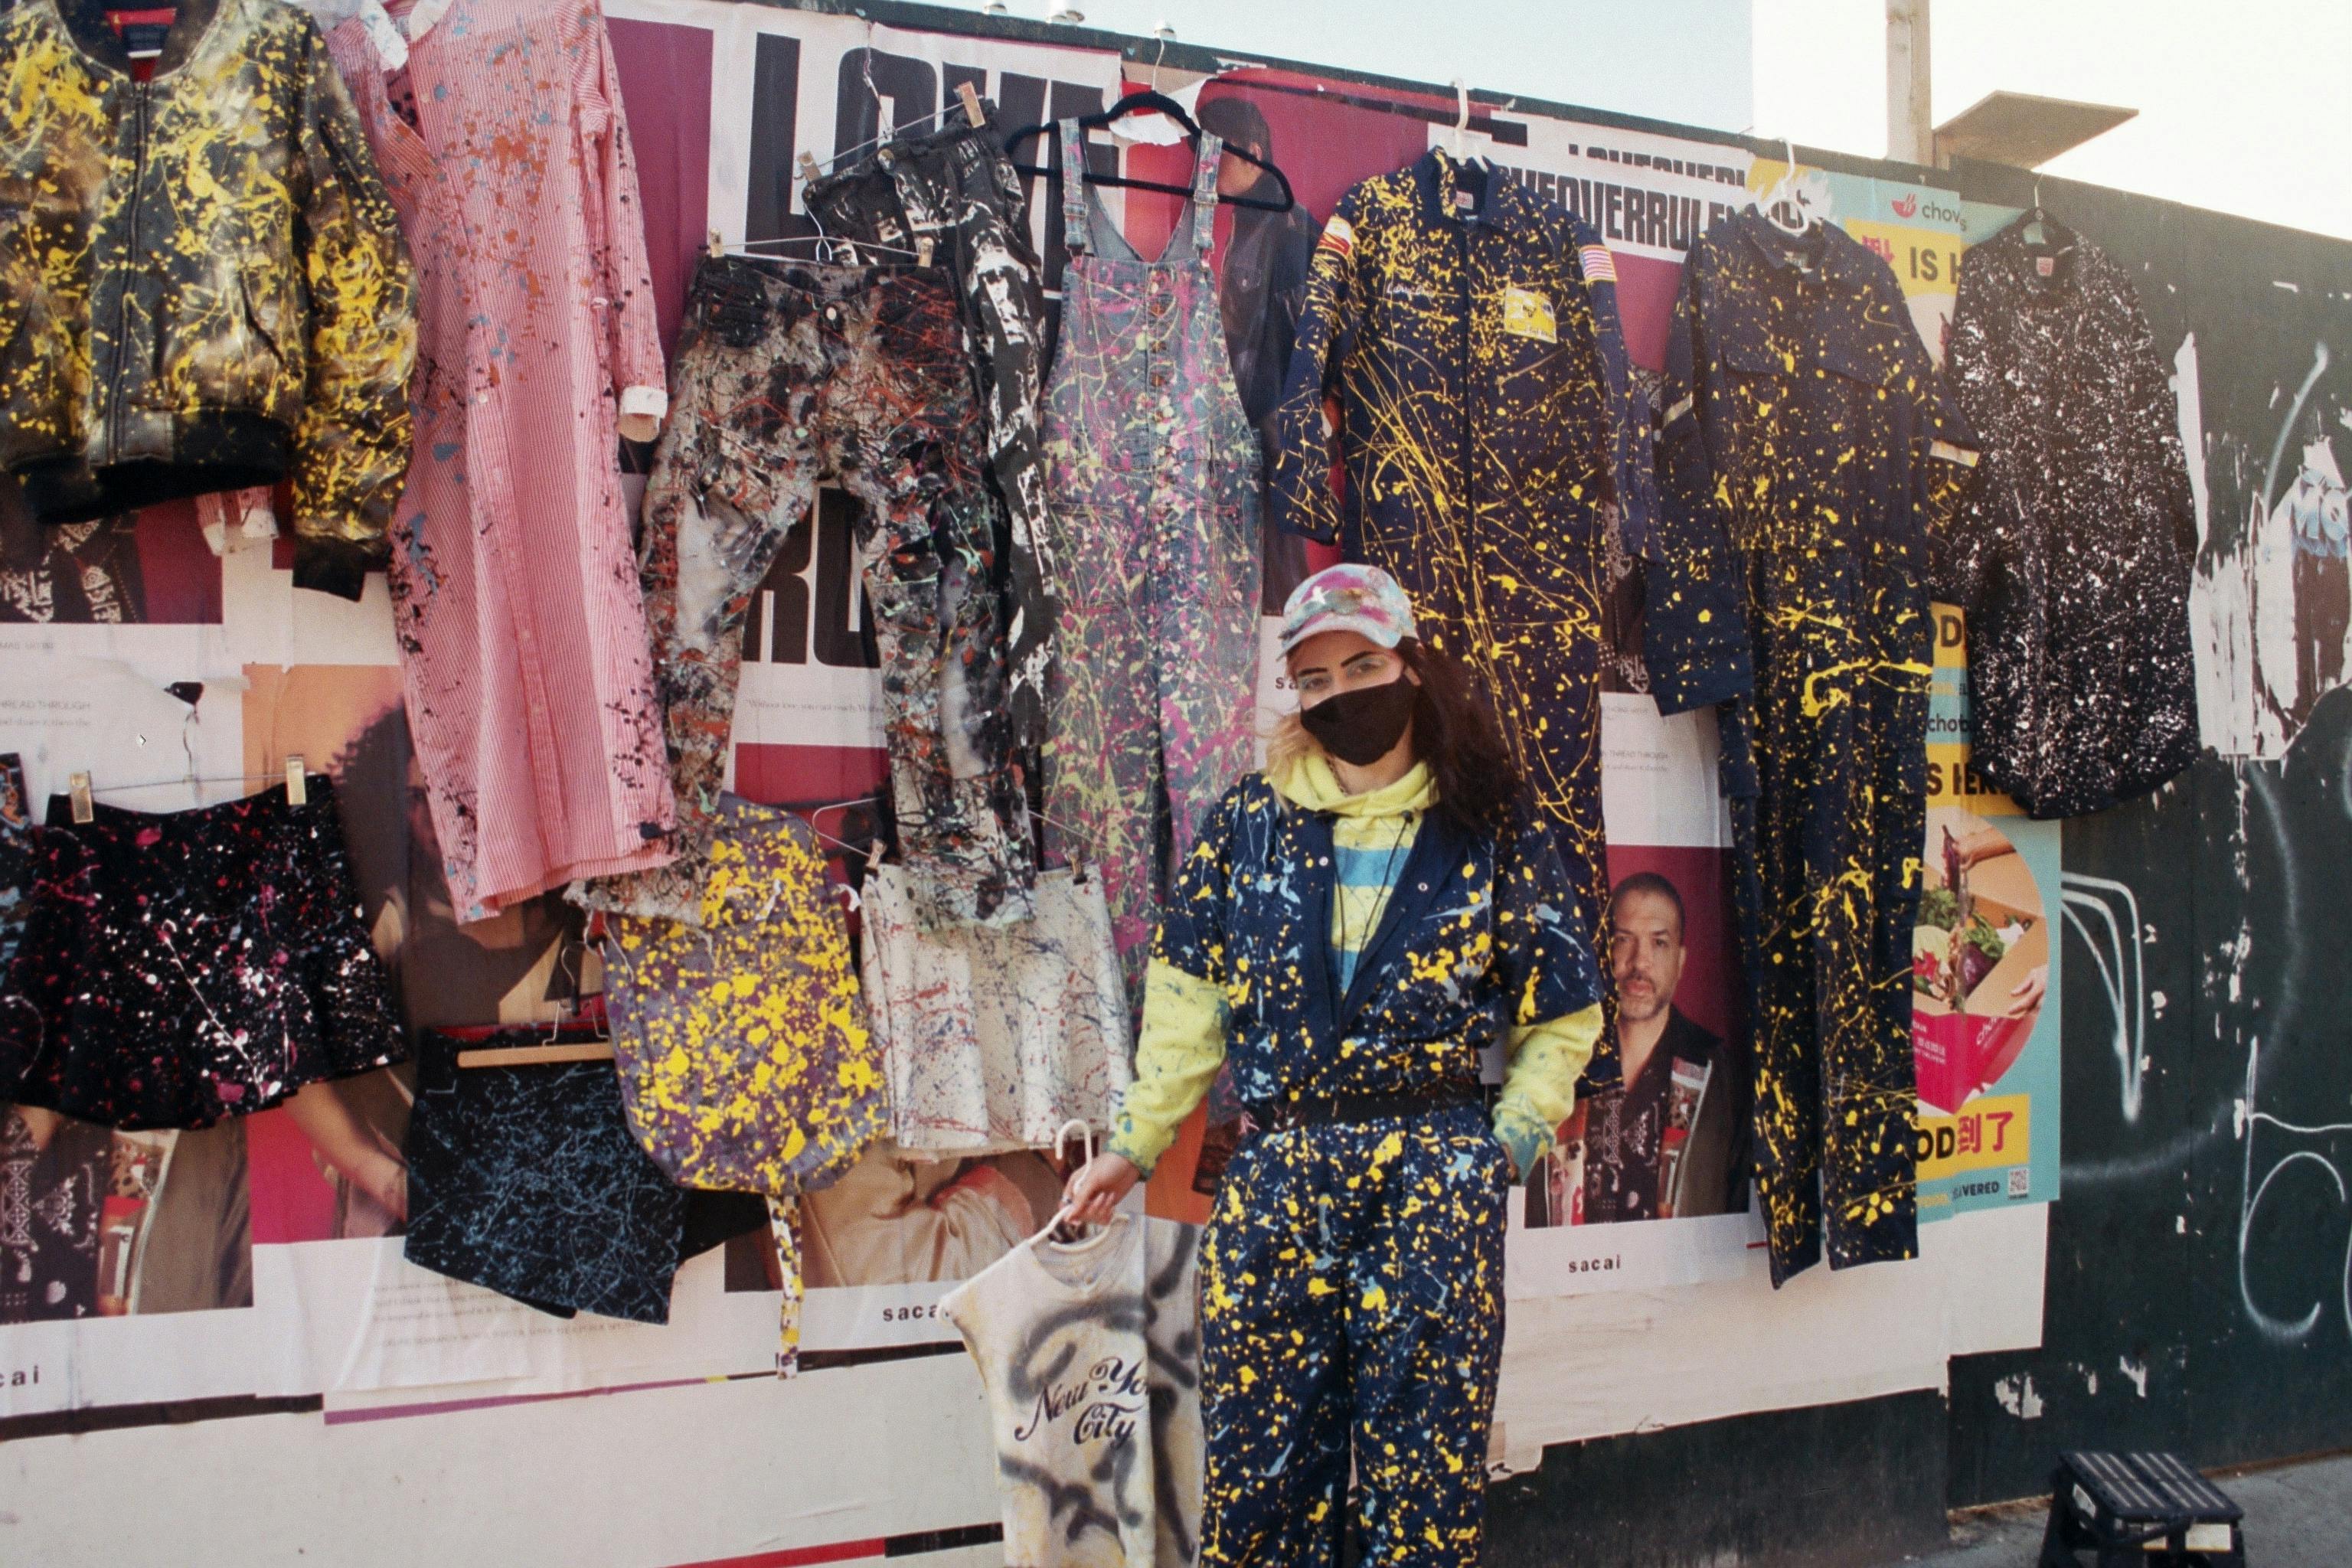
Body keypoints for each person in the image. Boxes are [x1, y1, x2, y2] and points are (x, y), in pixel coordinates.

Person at [1062, 563, 1604, 1568]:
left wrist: (1503, 1149)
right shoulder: (1245, 827)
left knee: (1423, 1494)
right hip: (1279, 1180)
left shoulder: (1488, 823)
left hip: (1433, 1178)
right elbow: (1184, 1012)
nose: (1342, 691)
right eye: (1315, 678)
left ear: (1410, 663)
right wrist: (1131, 1149)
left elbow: (1562, 1015)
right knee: (1260, 1489)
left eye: (1362, 663)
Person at [1573, 871, 1738, 1224]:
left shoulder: (1721, 1074)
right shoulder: (1562, 1059)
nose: (1640, 963)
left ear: (1681, 962)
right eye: (1622, 940)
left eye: (1659, 943)